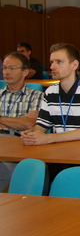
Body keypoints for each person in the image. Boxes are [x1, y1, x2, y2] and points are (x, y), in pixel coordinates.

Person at [21, 43, 80, 145]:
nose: (52, 66)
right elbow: (41, 126)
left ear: (74, 65)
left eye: (59, 62)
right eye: (52, 62)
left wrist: (49, 138)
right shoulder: (50, 92)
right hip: (61, 149)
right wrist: (31, 135)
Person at [0, 53, 44, 191]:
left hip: (17, 143)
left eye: (12, 68)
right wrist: (18, 120)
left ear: (25, 71)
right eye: (4, 68)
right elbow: (23, 121)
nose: (6, 72)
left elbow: (29, 124)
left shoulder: (36, 95)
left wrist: (1, 120)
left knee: (6, 173)